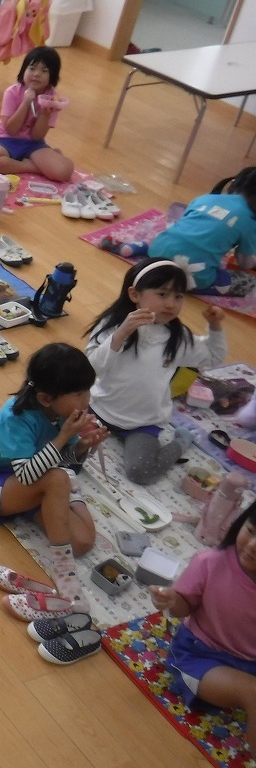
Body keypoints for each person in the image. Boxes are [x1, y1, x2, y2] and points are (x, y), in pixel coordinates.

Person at [0, 343, 108, 617]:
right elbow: (26, 474)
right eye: (78, 394)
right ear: (45, 398)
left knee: (82, 542)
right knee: (57, 478)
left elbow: (62, 458)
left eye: (87, 391)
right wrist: (64, 437)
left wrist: (81, 446)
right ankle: (65, 574)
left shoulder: (62, 413)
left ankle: (64, 492)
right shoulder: (15, 417)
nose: (87, 400)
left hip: (37, 479)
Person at [85, 259, 227, 485]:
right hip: (99, 409)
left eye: (178, 297)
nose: (171, 304)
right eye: (162, 294)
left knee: (140, 472)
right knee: (59, 437)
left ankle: (181, 441)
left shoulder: (177, 337)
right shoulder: (112, 325)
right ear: (135, 294)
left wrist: (215, 327)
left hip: (143, 423)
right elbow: (91, 369)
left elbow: (213, 356)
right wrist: (120, 334)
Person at [150, 502, 256, 741]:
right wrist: (171, 599)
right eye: (250, 531)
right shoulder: (210, 562)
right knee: (252, 692)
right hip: (200, 658)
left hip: (249, 664)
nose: (252, 545)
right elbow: (184, 606)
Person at [146, 167, 256, 294]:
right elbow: (245, 263)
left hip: (155, 255)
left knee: (176, 241)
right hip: (193, 277)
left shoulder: (205, 198)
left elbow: (184, 225)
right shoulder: (250, 220)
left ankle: (140, 247)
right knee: (249, 281)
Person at [0, 45, 74, 182]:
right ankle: (31, 166)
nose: (36, 74)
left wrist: (45, 115)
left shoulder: (52, 99)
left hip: (33, 144)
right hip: (5, 140)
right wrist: (25, 103)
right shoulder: (12, 92)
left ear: (52, 76)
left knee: (64, 171)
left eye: (44, 70)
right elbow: (11, 130)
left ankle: (35, 162)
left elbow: (37, 136)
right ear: (23, 70)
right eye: (32, 68)